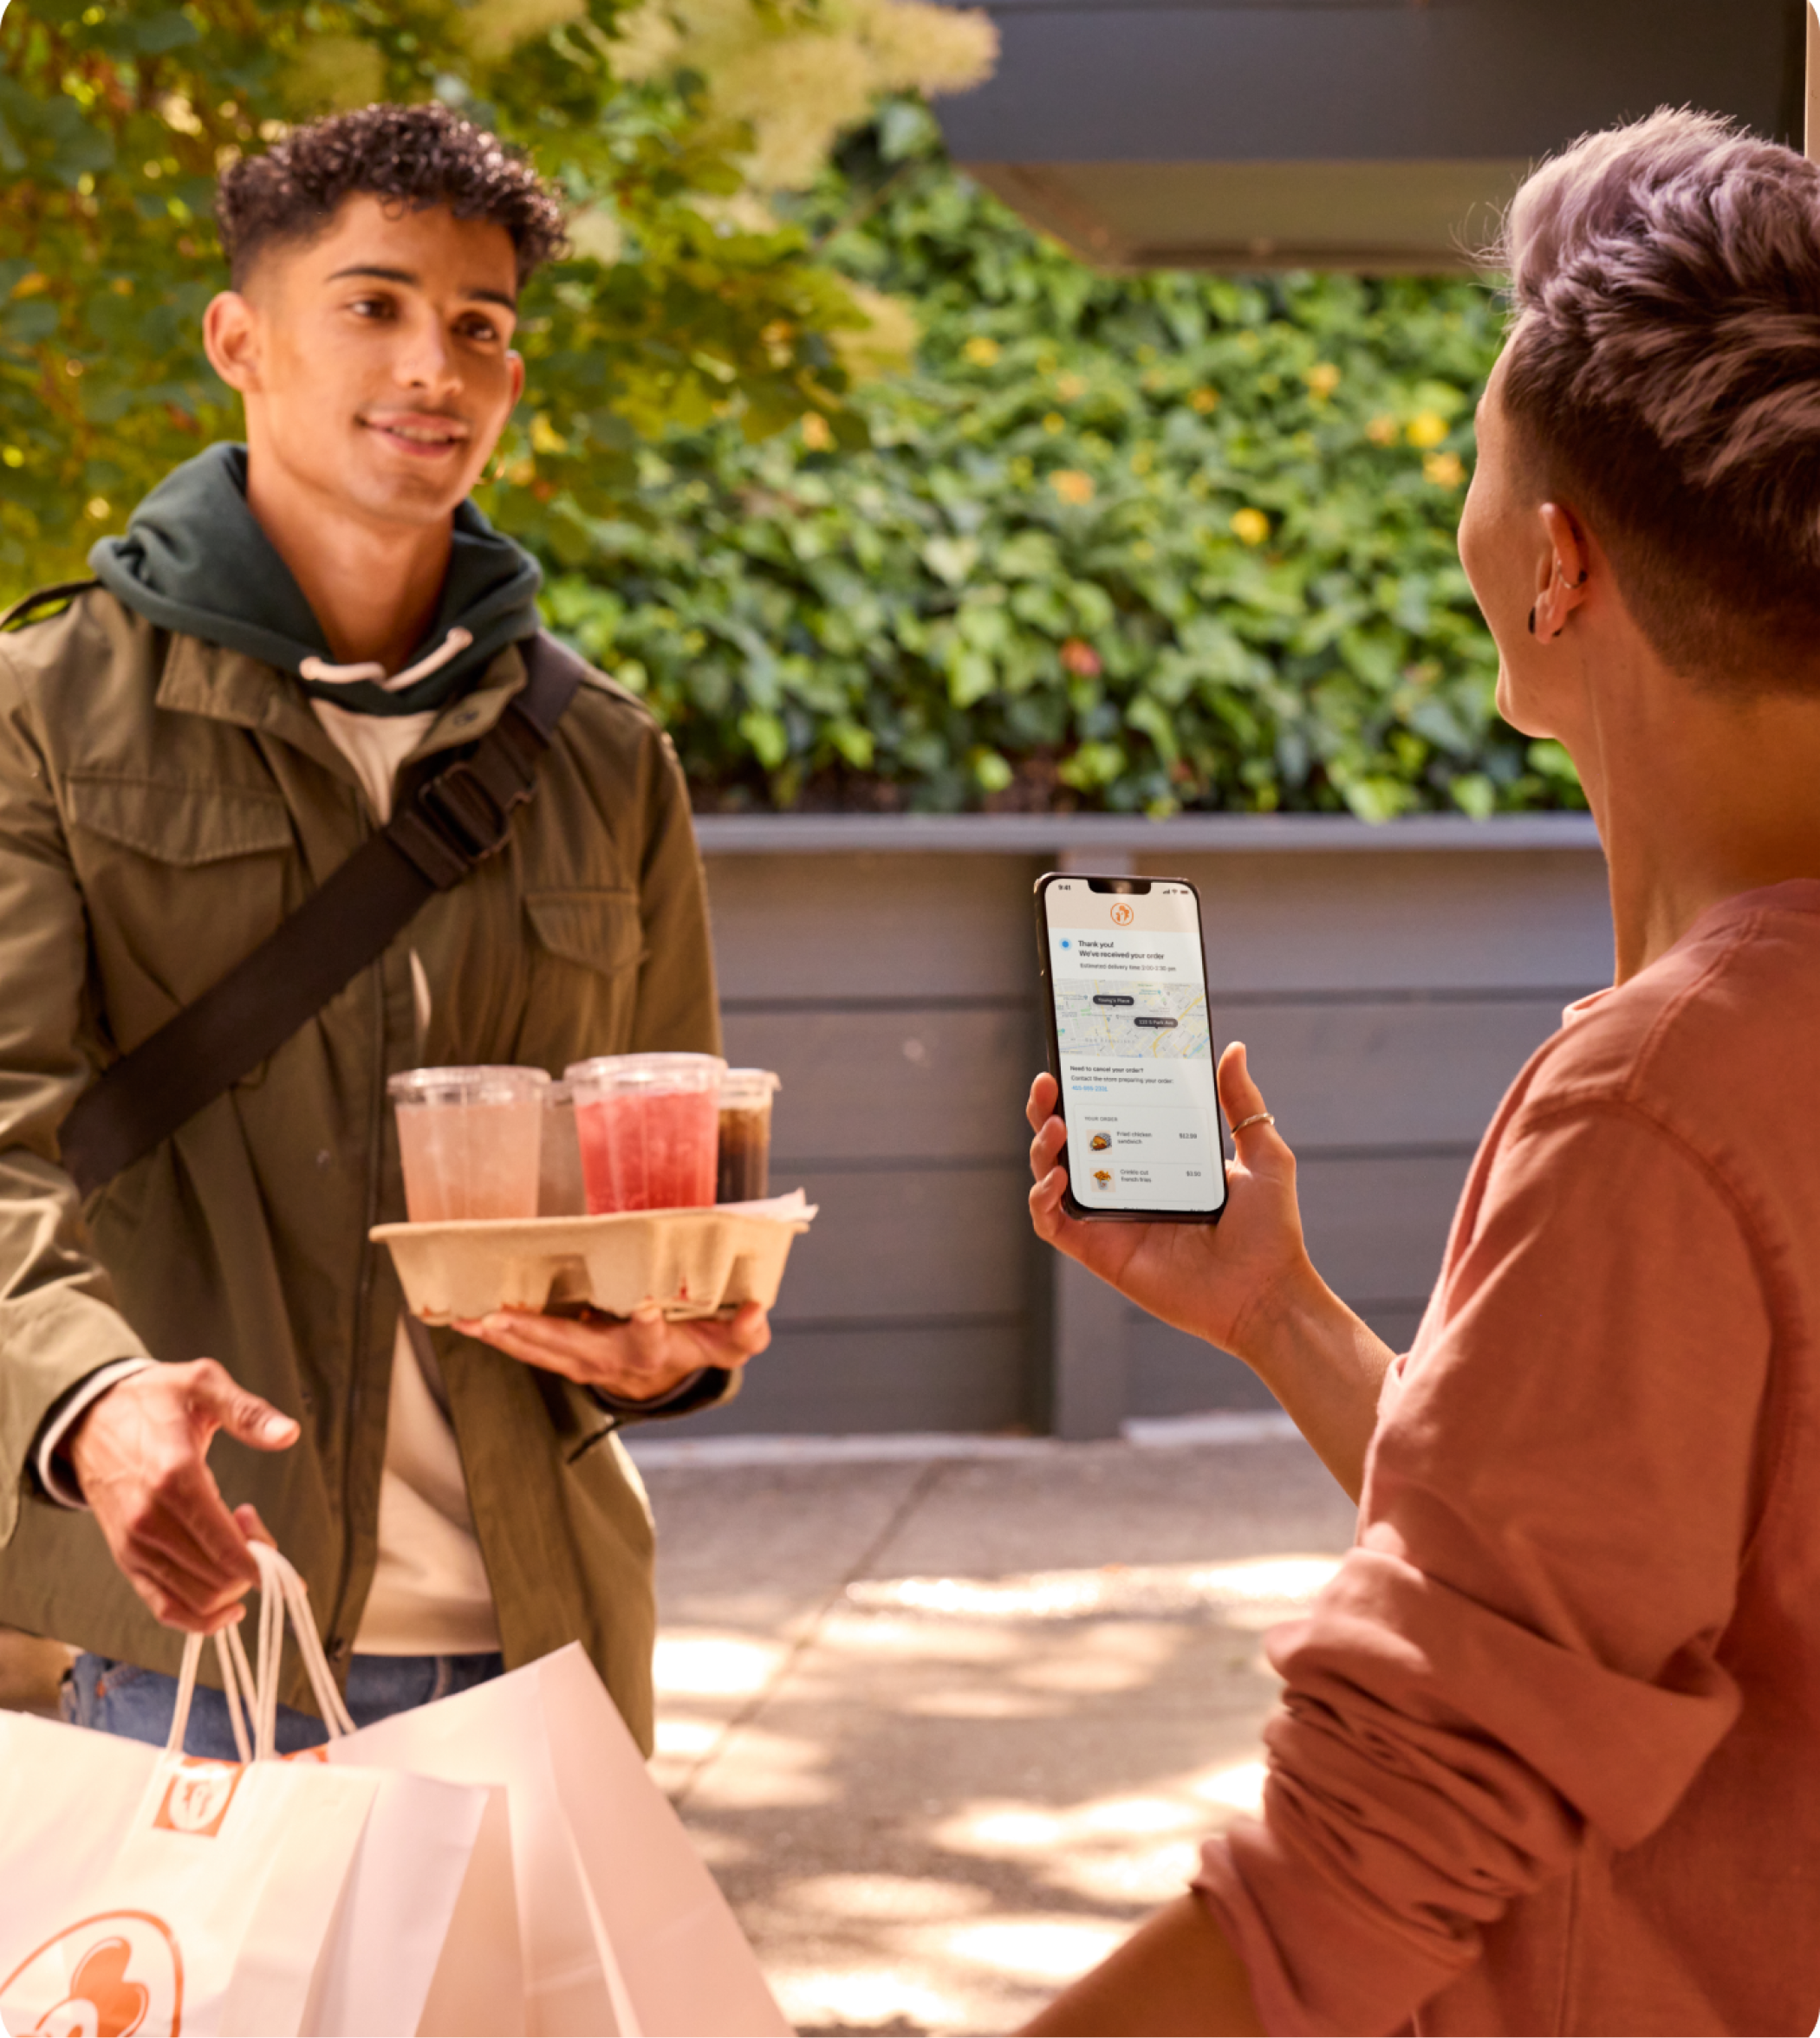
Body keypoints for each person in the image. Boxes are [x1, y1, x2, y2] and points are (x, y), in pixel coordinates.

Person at [1017, 109, 1820, 2035]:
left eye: (1472, 464)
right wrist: (1287, 1318)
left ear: (1554, 567)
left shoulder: (1668, 1097)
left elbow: (1366, 1876)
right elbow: (1624, 1594)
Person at [0, 102, 770, 1758]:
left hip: (543, 1645)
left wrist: (677, 1339)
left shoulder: (604, 758)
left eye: (479, 327)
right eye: (375, 305)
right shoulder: (40, 710)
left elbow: (669, 1172)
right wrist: (88, 1402)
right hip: (189, 1648)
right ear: (240, 340)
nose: (436, 364)